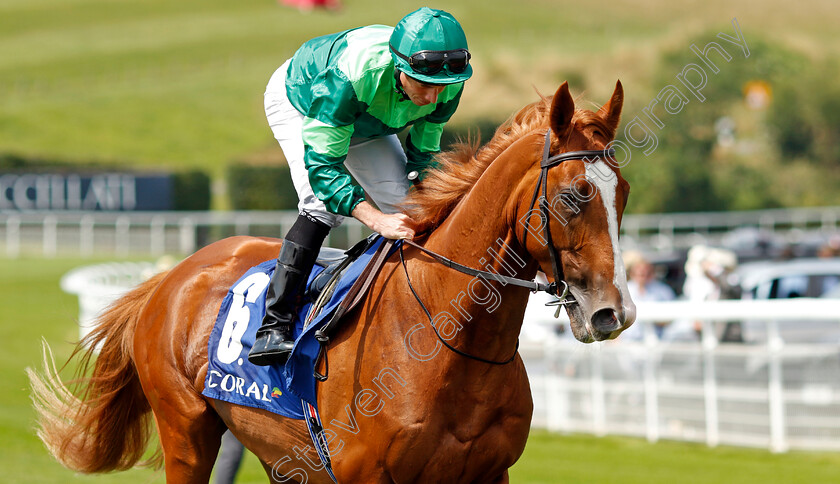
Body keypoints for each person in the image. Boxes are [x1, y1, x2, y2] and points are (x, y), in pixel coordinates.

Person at [249, 7, 473, 366]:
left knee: (408, 208)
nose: (433, 98)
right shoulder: (349, 78)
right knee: (320, 205)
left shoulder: (449, 81)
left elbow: (423, 153)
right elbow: (325, 170)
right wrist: (376, 221)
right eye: (424, 84)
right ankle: (273, 327)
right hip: (306, 101)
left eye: (442, 88)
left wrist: (425, 199)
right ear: (400, 68)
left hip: (369, 121)